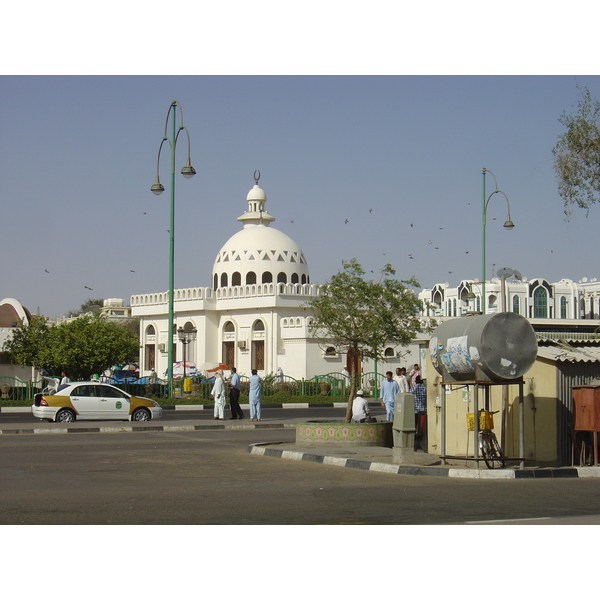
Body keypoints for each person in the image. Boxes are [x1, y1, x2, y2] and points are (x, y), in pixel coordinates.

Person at [410, 375, 427, 451]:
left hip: (415, 411)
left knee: (414, 428)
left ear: (416, 381)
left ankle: (415, 444)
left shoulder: (412, 390)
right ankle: (422, 443)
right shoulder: (425, 389)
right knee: (422, 428)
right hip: (423, 412)